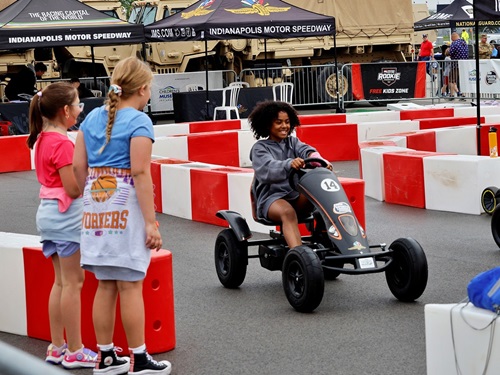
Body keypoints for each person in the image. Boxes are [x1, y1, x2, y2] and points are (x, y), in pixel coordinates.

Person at [73, 57, 171, 375]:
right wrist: (151, 222)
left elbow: (77, 168)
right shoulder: (139, 122)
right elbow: (141, 173)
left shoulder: (90, 119)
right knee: (130, 285)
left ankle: (105, 357)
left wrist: (89, 195)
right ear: (142, 89)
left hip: (95, 206)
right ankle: (139, 359)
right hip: (125, 206)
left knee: (105, 284)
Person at [26, 82, 97, 369]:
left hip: (49, 215)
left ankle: (57, 346)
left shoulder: (42, 139)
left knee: (60, 282)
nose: (81, 110)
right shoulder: (63, 143)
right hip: (68, 217)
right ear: (66, 111)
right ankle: (76, 350)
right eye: (78, 105)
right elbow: (72, 188)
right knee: (73, 283)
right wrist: (88, 174)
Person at [248, 100, 332, 249]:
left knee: (323, 196)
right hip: (271, 198)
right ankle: (298, 255)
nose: (284, 126)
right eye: (278, 122)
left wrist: (320, 161)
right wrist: (289, 164)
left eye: (287, 122)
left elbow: (307, 151)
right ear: (268, 124)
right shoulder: (260, 148)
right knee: (287, 212)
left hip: (294, 195)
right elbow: (267, 169)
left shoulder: (293, 142)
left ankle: (329, 241)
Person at [449, 32, 469, 99]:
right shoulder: (464, 43)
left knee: (452, 80)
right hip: (463, 64)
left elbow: (451, 53)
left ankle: (452, 95)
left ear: (453, 37)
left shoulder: (454, 43)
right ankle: (463, 94)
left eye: (452, 38)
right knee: (462, 80)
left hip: (455, 64)